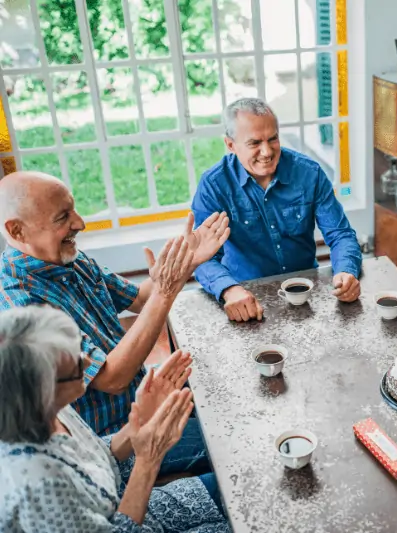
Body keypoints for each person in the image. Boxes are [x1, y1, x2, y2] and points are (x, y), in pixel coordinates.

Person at [0, 171, 229, 477]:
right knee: (230, 434)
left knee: (225, 378)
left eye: (74, 209)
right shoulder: (18, 305)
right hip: (110, 444)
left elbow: (140, 298)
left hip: (141, 399)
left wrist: (184, 260)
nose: (80, 223)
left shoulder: (71, 260)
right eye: (63, 217)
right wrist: (165, 290)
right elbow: (112, 378)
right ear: (17, 230)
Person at [0, 306, 230, 532]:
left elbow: (103, 457)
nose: (88, 363)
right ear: (45, 389)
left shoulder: (49, 410)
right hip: (125, 522)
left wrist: (140, 420)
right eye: (77, 365)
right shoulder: (38, 484)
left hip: (142, 509)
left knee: (248, 490)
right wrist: (148, 460)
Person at [192, 98, 363, 322]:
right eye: (254, 143)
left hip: (307, 294)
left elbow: (340, 235)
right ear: (231, 145)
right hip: (244, 297)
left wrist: (346, 271)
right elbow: (202, 257)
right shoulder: (214, 185)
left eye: (273, 139)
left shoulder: (309, 173)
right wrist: (229, 290)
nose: (267, 151)